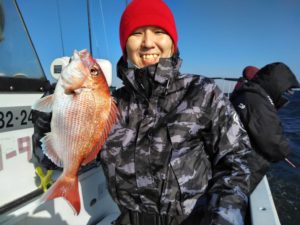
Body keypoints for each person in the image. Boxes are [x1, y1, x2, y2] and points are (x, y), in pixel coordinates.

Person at [33, 0, 252, 224]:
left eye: (159, 32)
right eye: (136, 33)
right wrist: (48, 118)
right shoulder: (108, 106)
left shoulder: (203, 92)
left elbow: (236, 162)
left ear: (172, 43)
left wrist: (225, 217)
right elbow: (52, 161)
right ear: (125, 45)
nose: (148, 43)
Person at [230, 62, 300, 193]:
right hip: (242, 167)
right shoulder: (258, 101)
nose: (285, 94)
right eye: (284, 89)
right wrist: (283, 152)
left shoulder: (246, 92)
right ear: (275, 84)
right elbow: (271, 141)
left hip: (232, 156)